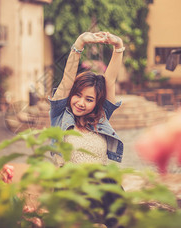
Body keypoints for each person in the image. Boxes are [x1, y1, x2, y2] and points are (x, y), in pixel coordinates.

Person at [49, 31, 126, 227]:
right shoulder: (60, 115)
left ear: (97, 103)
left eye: (89, 99)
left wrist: (118, 47)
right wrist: (79, 43)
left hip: (106, 189)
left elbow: (110, 80)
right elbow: (67, 80)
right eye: (78, 95)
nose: (81, 103)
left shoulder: (100, 119)